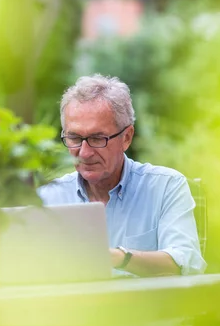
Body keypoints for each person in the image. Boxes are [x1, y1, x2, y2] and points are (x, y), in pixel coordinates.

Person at [38, 74, 206, 277]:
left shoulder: (166, 187)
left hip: (146, 308)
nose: (84, 152)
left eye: (97, 138)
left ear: (126, 138)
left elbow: (186, 263)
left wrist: (118, 257)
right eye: (74, 137)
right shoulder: (48, 197)